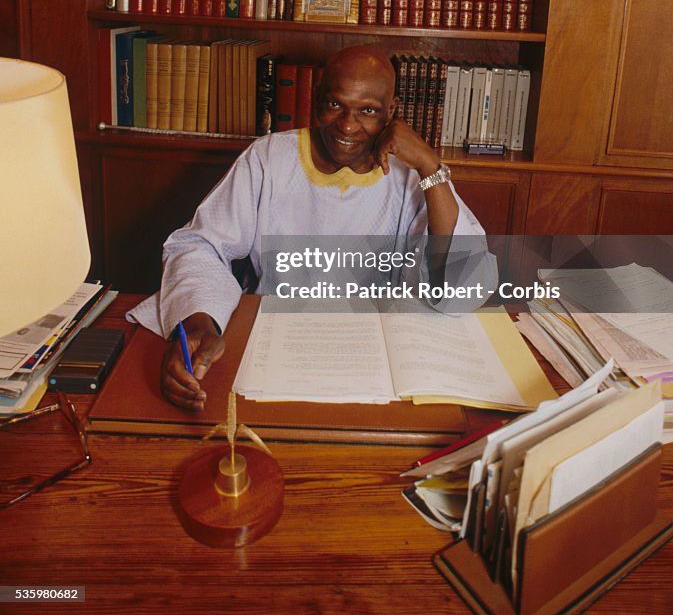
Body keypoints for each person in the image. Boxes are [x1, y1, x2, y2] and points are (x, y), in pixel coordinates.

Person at [128, 45, 497, 410]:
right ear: (316, 97)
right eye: (335, 104)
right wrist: (200, 324)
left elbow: (460, 289)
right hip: (274, 339)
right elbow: (200, 246)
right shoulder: (269, 158)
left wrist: (432, 168)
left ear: (392, 112)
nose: (348, 126)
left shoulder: (409, 174)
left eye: (368, 111)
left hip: (378, 350)